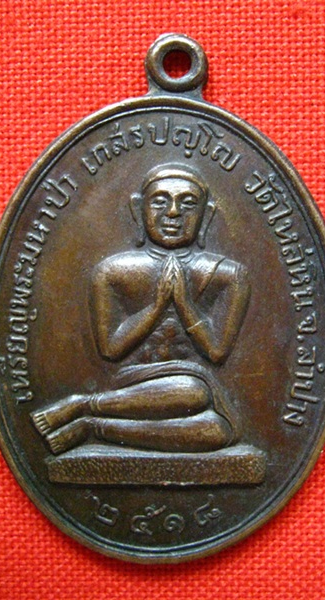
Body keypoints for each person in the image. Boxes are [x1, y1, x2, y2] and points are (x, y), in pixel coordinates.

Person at [32, 164, 250, 454]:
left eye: (188, 203)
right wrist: (157, 306)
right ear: (138, 210)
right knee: (191, 392)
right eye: (160, 201)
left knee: (217, 430)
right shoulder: (112, 271)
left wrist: (183, 303)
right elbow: (110, 350)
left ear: (206, 215)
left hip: (198, 388)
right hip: (131, 386)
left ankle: (92, 425)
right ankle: (87, 405)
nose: (173, 212)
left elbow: (217, 352)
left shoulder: (228, 275)